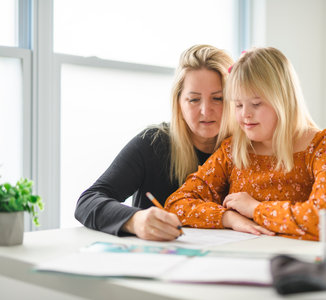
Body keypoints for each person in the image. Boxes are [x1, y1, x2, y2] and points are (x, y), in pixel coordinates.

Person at [165, 47, 326, 240]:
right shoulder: (232, 150)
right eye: (238, 105)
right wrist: (228, 218)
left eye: (256, 104)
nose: (245, 114)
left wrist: (255, 209)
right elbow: (176, 203)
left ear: (284, 100)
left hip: (299, 260)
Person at [75, 45, 234, 241]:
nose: (206, 110)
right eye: (193, 100)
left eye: (218, 98)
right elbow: (88, 201)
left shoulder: (249, 151)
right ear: (178, 103)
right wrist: (134, 220)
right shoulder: (153, 143)